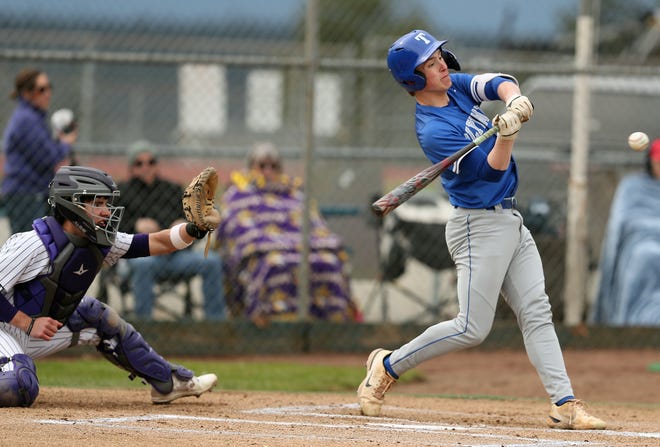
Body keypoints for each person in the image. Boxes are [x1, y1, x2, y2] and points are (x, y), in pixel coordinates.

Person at [356, 30, 606, 430]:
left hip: (509, 220)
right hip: (477, 227)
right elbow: (489, 173)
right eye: (430, 62)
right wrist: (506, 137)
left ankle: (565, 403)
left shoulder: (452, 87)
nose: (441, 64)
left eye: (439, 56)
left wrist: (514, 100)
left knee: (537, 311)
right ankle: (387, 365)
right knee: (471, 328)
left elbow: (493, 82)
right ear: (414, 79)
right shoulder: (434, 131)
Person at [0, 165, 218, 407]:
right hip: (5, 327)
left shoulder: (99, 241)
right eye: (98, 203)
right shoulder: (32, 244)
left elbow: (157, 242)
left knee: (96, 316)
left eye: (106, 203)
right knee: (19, 384)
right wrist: (28, 323)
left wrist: (194, 229)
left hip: (34, 332)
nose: (106, 212)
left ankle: (168, 382)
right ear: (72, 203)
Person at [215, 142, 360, 325]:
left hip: (306, 248)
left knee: (329, 262)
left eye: (273, 166)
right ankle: (270, 326)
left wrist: (296, 243)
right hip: (263, 252)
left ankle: (330, 327)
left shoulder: (295, 194)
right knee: (272, 263)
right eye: (261, 165)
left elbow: (315, 226)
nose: (267, 171)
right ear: (251, 167)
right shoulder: (238, 194)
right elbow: (237, 229)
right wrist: (268, 243)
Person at [117, 140, 225, 320]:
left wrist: (184, 225)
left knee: (211, 261)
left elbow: (196, 222)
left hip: (176, 256)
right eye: (139, 163)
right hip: (143, 256)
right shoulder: (122, 191)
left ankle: (215, 325)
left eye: (151, 162)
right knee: (143, 265)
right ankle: (145, 329)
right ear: (131, 167)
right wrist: (135, 226)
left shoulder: (172, 189)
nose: (146, 167)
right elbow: (111, 230)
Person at [590, 138, 660, 326]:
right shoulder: (633, 186)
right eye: (658, 162)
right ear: (650, 162)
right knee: (645, 256)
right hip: (639, 246)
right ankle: (634, 324)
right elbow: (622, 222)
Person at [1, 68, 77, 234]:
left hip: (29, 193)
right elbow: (46, 158)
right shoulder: (27, 119)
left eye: (49, 87)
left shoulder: (32, 116)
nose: (47, 93)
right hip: (25, 194)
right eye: (42, 89)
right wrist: (65, 143)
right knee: (30, 248)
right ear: (27, 93)